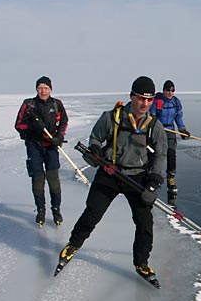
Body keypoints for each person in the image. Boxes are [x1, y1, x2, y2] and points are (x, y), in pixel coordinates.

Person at [59, 76, 167, 288]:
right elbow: (95, 138)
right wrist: (96, 151)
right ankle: (73, 245)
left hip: (137, 176)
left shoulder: (155, 126)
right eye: (140, 98)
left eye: (149, 100)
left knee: (145, 223)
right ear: (131, 97)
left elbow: (160, 155)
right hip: (110, 172)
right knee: (92, 214)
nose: (144, 104)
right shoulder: (112, 117)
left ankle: (141, 263)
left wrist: (154, 180)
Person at [14, 76, 68, 226]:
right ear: (36, 89)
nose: (43, 91)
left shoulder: (57, 104)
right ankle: (41, 210)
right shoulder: (29, 104)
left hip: (51, 146)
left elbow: (64, 121)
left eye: (46, 88)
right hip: (34, 146)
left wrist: (59, 136)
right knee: (37, 179)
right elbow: (18, 124)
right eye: (40, 88)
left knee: (53, 179)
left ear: (50, 89)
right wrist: (31, 128)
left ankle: (56, 210)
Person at [150, 79, 190, 195]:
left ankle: (170, 178)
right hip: (158, 131)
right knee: (156, 154)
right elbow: (152, 117)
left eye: (172, 90)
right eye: (168, 90)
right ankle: (153, 176)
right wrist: (155, 128)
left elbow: (178, 117)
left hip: (170, 131)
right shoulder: (157, 102)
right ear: (163, 91)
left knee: (171, 154)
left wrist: (182, 129)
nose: (170, 93)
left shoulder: (176, 102)